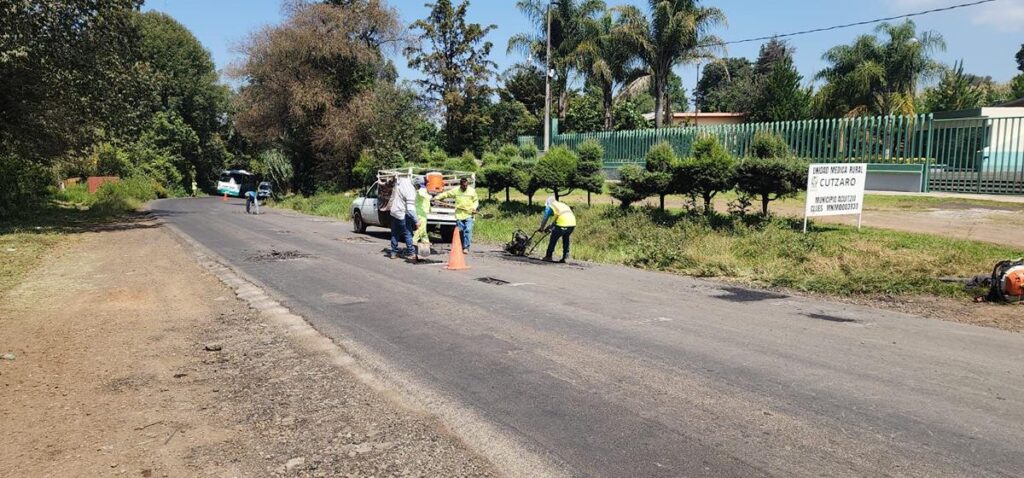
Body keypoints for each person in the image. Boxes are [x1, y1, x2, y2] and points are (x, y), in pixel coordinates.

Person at [435, 177, 478, 254]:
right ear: (460, 185)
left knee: (468, 230)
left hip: (468, 214)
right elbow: (447, 194)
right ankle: (461, 246)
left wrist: (474, 208)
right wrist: (437, 197)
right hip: (459, 215)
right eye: (463, 186)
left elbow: (475, 201)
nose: (465, 187)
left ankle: (466, 247)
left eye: (466, 186)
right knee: (460, 232)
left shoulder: (472, 191)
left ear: (467, 184)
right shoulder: (456, 190)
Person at [538, 196, 576, 263]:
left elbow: (545, 218)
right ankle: (566, 257)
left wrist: (541, 228)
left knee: (553, 238)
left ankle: (548, 256)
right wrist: (549, 227)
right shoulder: (561, 204)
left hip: (562, 224)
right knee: (566, 238)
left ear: (548, 202)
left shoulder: (550, 206)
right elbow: (557, 219)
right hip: (572, 224)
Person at [388, 176, 419, 259]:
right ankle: (411, 253)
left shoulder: (405, 182)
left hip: (394, 212)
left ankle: (393, 252)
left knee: (395, 233)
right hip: (402, 213)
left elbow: (399, 178)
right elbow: (410, 210)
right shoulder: (411, 191)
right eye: (419, 186)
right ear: (416, 185)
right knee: (408, 233)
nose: (419, 188)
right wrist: (416, 221)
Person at [412, 177, 432, 259]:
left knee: (423, 231)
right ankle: (413, 246)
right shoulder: (421, 191)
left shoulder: (423, 190)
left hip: (423, 213)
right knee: (420, 230)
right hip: (420, 214)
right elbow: (425, 196)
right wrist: (432, 197)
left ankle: (425, 245)